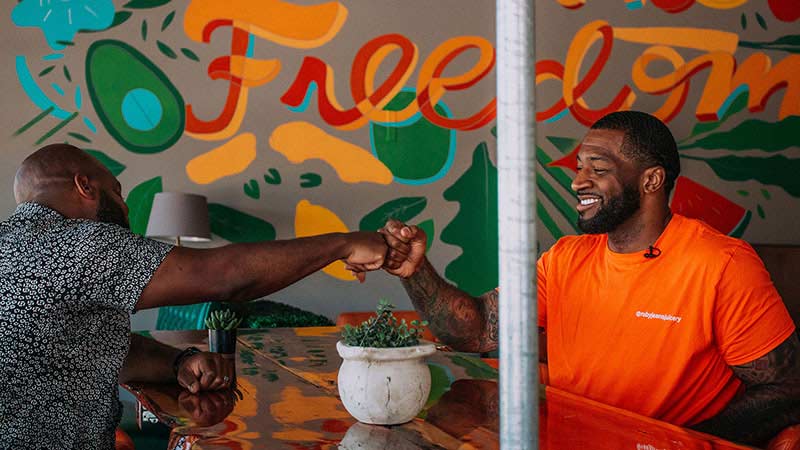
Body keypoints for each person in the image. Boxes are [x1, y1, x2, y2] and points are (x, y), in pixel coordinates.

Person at [376, 111, 800, 446]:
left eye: (597, 168)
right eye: (579, 167)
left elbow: (786, 388)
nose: (578, 180)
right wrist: (415, 270)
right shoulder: (565, 258)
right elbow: (475, 332)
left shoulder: (720, 263)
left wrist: (686, 443)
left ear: (651, 179)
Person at [0, 144, 408, 449]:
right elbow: (225, 277)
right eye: (118, 192)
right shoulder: (74, 245)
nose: (125, 208)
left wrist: (179, 361)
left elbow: (96, 348)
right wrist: (344, 244)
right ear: (85, 186)